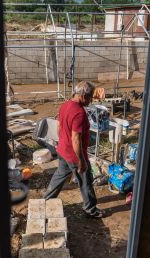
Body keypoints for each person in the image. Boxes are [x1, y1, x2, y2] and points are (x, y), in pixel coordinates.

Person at [43, 81, 105, 218]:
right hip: (74, 155)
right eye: (89, 98)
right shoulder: (79, 113)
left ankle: (45, 200)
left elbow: (59, 127)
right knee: (85, 180)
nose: (90, 101)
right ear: (82, 95)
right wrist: (81, 161)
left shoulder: (65, 105)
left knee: (60, 175)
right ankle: (90, 209)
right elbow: (76, 139)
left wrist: (63, 143)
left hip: (62, 150)